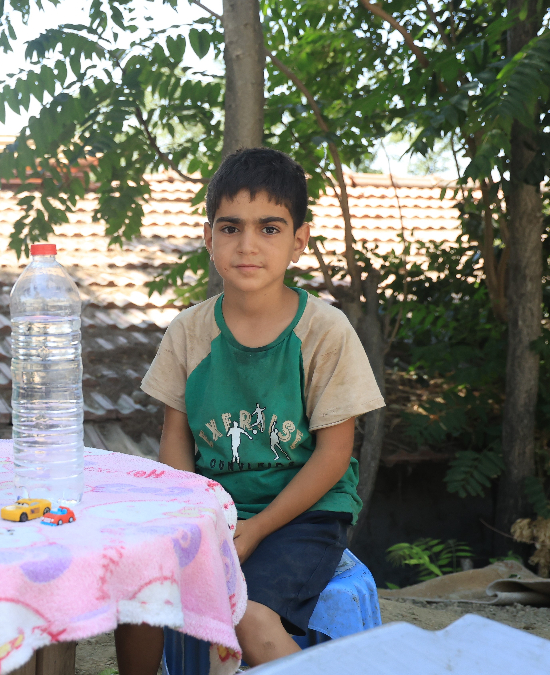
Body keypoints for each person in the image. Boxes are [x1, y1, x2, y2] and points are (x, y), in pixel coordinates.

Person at [114, 147, 385, 673]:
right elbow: (177, 440)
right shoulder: (189, 331)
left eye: (269, 228)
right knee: (141, 586)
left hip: (304, 514)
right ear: (209, 236)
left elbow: (334, 455)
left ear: (299, 241)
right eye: (231, 227)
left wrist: (257, 530)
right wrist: (191, 521)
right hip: (215, 511)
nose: (248, 245)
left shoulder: (324, 332)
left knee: (248, 615)